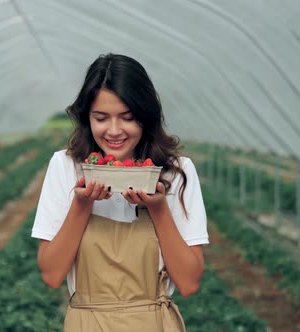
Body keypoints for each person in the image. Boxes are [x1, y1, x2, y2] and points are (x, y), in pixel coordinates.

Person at [32, 53, 209, 331]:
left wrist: (159, 209)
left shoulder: (175, 172)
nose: (114, 131)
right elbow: (52, 275)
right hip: (87, 323)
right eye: (101, 118)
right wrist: (81, 206)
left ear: (146, 117)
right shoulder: (67, 167)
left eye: (127, 118)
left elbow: (189, 282)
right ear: (86, 117)